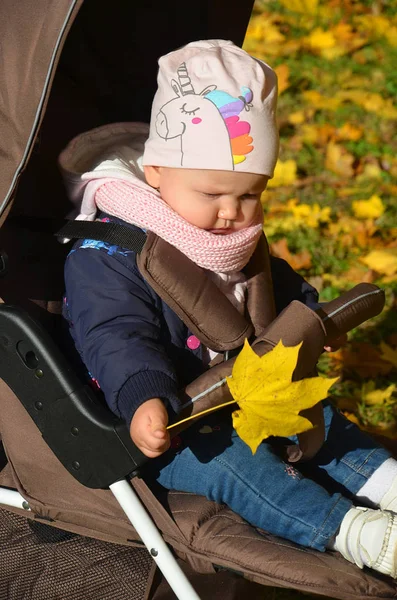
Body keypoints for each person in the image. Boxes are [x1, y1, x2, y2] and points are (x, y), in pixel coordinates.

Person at [61, 40, 397, 578]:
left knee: (320, 420)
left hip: (247, 385)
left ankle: (386, 481)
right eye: (214, 194)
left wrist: (310, 316)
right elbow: (114, 331)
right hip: (175, 421)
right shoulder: (109, 254)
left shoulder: (226, 231)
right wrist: (143, 394)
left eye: (250, 196)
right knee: (238, 469)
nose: (231, 214)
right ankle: (355, 533)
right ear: (156, 172)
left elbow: (270, 282)